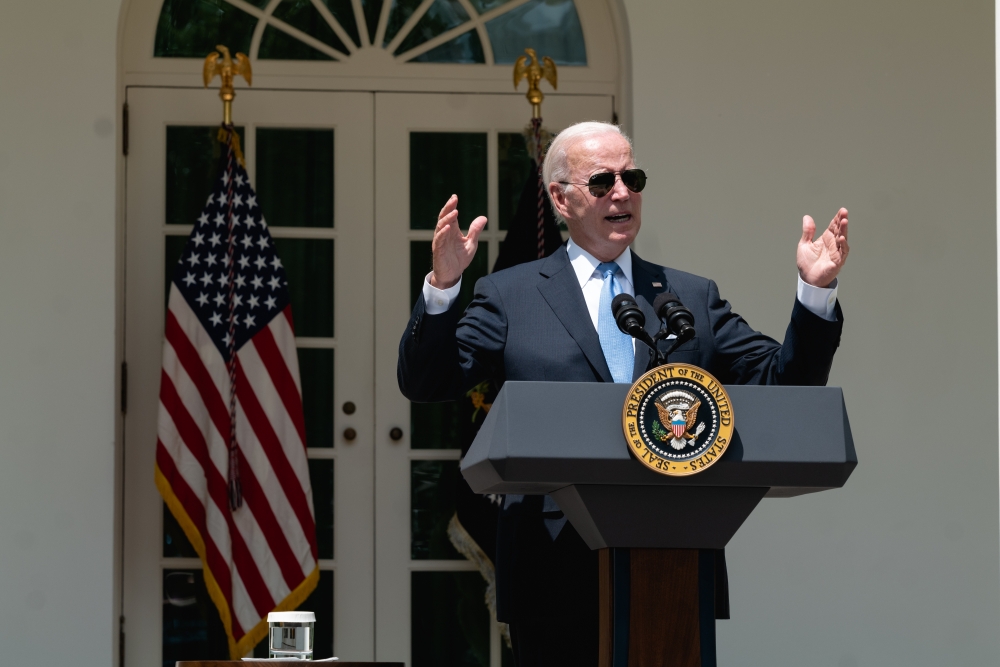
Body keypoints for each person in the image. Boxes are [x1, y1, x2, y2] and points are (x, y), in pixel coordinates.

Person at [397, 121, 848, 666]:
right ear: (560, 199)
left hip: (676, 562)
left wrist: (814, 294)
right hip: (552, 567)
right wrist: (443, 289)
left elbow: (787, 386)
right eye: (602, 181)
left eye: (631, 177)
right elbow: (427, 382)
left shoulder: (689, 297)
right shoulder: (510, 295)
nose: (621, 192)